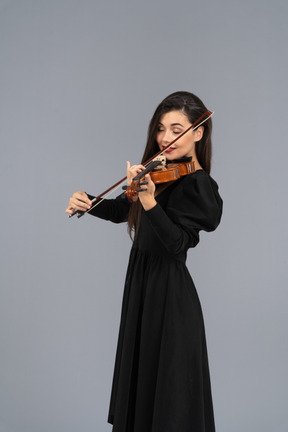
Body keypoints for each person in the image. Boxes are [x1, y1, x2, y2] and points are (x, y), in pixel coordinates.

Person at [66, 91, 223, 432]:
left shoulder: (199, 185)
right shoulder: (159, 172)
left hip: (170, 295)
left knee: (170, 398)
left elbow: (177, 244)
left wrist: (150, 202)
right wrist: (89, 202)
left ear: (198, 132)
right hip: (142, 286)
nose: (166, 138)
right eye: (161, 129)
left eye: (176, 129)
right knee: (141, 386)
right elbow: (123, 210)